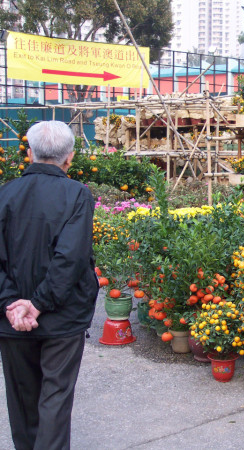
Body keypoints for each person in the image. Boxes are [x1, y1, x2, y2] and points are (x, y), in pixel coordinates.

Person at [0, 121, 99, 450]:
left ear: (29, 153)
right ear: (70, 158)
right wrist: (37, 305)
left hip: (13, 319)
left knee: (23, 400)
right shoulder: (77, 195)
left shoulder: (5, 194)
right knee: (55, 400)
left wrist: (12, 303)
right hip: (61, 317)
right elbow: (69, 259)